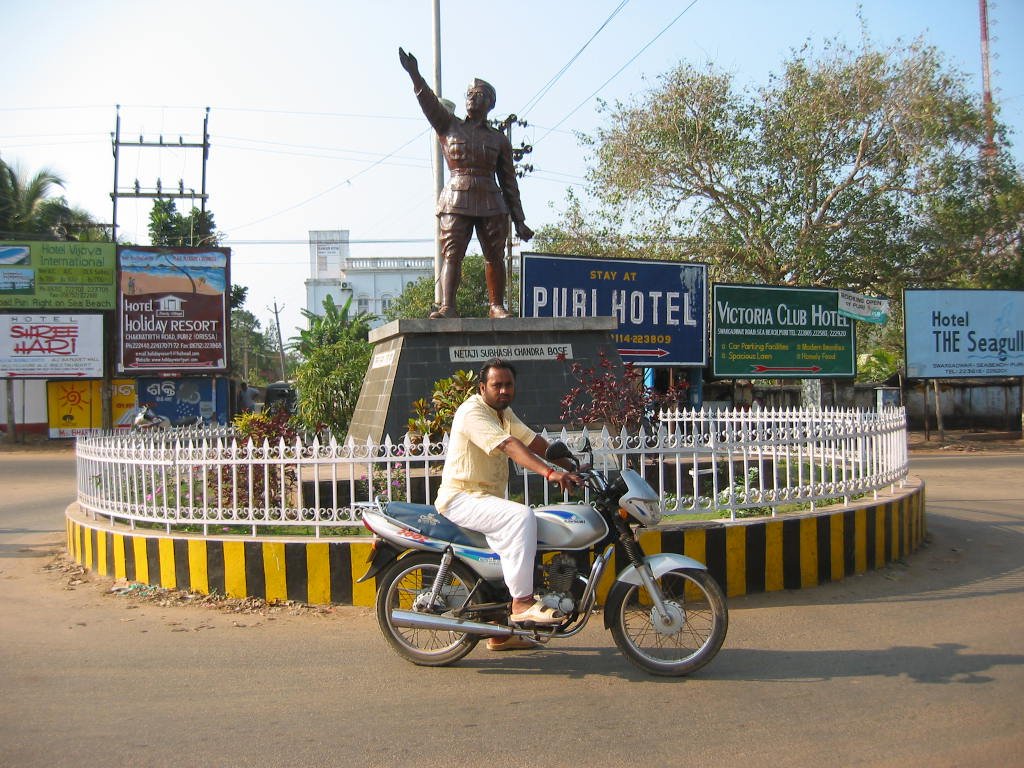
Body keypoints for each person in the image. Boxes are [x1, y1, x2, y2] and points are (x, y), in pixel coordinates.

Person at [434, 359, 580, 648]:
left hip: (485, 499)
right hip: (461, 497)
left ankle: (501, 633)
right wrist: (549, 473)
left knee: (525, 537)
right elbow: (510, 445)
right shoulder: (473, 412)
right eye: (496, 385)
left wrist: (573, 465)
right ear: (482, 387)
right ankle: (522, 603)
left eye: (508, 385)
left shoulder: (503, 413)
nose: (503, 390)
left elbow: (532, 441)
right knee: (520, 517)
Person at [399, 47, 534, 319]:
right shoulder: (448, 125)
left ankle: (496, 305)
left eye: (479, 95)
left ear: (490, 103)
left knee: (494, 255)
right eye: (469, 94)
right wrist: (415, 75)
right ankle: (447, 306)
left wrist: (519, 220)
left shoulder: (498, 140)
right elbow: (429, 103)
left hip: (490, 200)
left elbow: (509, 182)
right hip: (456, 198)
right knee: (452, 253)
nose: (472, 98)